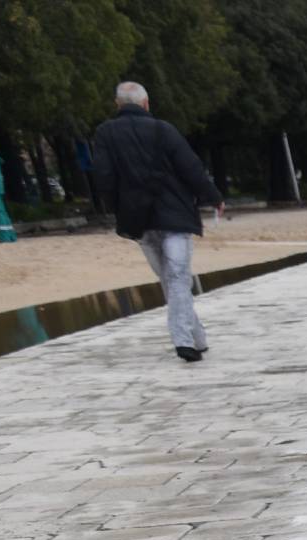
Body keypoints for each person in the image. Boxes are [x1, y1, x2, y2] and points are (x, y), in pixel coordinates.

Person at [90, 81, 223, 363]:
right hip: (174, 213)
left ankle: (193, 337)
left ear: (118, 105)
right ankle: (185, 339)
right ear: (146, 103)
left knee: (170, 277)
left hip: (138, 218)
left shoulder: (105, 133)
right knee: (176, 277)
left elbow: (103, 176)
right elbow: (191, 167)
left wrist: (117, 208)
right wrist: (213, 196)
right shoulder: (164, 130)